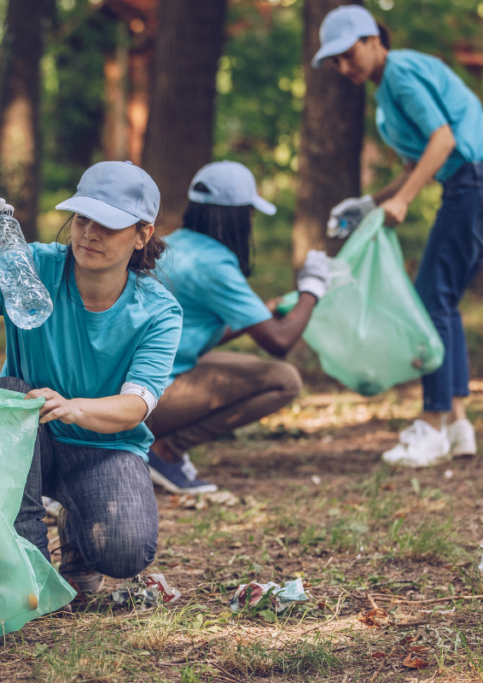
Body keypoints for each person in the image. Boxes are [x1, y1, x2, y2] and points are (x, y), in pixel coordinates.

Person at [0, 162, 183, 595]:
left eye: (109, 225)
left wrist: (74, 407)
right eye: (83, 219)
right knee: (9, 392)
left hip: (105, 449)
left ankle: (77, 532)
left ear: (142, 234)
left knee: (126, 551)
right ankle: (27, 562)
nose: (89, 234)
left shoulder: (159, 311)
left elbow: (134, 407)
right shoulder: (32, 267)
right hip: (32, 437)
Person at [314, 5, 483, 467]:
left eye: (350, 55)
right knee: (442, 301)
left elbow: (444, 142)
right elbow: (417, 165)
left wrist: (404, 201)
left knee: (430, 301)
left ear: (373, 40)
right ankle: (457, 423)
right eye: (337, 61)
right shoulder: (387, 92)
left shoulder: (400, 73)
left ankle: (430, 425)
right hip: (467, 182)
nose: (345, 67)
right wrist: (372, 201)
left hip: (472, 179)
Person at [148, 161, 329, 494]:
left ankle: (157, 450)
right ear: (237, 215)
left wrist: (264, 311)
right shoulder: (214, 264)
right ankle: (165, 450)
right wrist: (312, 289)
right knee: (283, 380)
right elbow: (280, 341)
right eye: (250, 212)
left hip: (137, 381)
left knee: (240, 368)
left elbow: (194, 331)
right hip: (149, 397)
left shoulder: (176, 244)